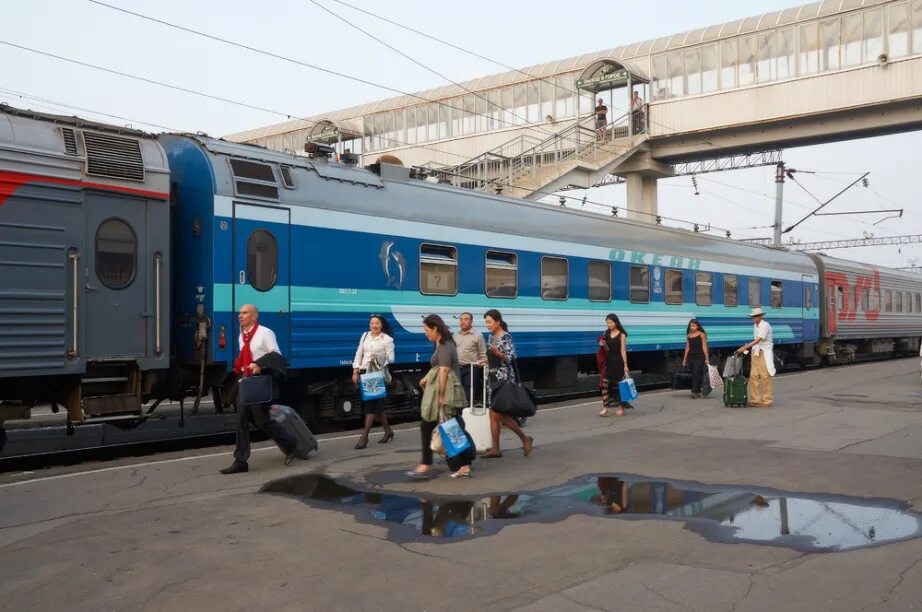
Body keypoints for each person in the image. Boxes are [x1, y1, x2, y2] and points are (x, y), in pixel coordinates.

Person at [220, 304, 298, 474]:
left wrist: (259, 364)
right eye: (240, 313)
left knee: (262, 421)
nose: (240, 315)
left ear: (254, 316)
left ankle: (291, 443)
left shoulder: (265, 333)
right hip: (246, 381)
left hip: (260, 382)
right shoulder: (243, 336)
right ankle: (240, 461)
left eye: (245, 313)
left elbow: (276, 355)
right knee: (241, 418)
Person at [408, 314, 471, 479]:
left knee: (449, 428)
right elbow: (437, 368)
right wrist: (426, 378)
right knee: (451, 427)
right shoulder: (441, 344)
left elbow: (444, 370)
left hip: (448, 393)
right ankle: (460, 464)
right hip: (445, 392)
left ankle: (433, 464)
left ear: (435, 328)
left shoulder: (444, 344)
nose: (425, 333)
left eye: (427, 330)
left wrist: (442, 396)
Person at [482, 309, 533, 458]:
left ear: (498, 321)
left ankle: (523, 438)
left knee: (496, 413)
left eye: (490, 322)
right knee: (494, 414)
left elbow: (510, 358)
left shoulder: (506, 337)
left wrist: (499, 354)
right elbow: (492, 357)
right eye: (486, 322)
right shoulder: (491, 337)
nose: (487, 325)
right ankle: (497, 448)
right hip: (493, 376)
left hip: (503, 378)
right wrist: (484, 361)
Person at [351, 314, 396, 449]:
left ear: (382, 325)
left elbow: (391, 359)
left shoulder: (387, 340)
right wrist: (355, 370)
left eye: (377, 323)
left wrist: (379, 359)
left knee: (371, 405)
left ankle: (364, 438)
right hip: (365, 373)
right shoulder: (365, 336)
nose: (374, 326)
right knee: (376, 405)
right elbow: (359, 354)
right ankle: (388, 431)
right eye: (372, 323)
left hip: (377, 375)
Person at [736, 307, 775, 407]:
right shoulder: (755, 325)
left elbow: (758, 340)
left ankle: (767, 400)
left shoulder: (765, 325)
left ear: (761, 316)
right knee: (753, 376)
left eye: (756, 316)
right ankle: (755, 400)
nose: (754, 318)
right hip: (756, 351)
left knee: (765, 376)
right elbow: (756, 342)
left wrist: (745, 347)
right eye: (753, 316)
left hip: (764, 352)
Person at [598, 313, 633, 417]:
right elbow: (607, 350)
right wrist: (603, 345)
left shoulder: (621, 335)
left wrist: (625, 364)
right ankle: (606, 408)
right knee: (604, 385)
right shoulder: (606, 333)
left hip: (618, 363)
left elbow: (623, 351)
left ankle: (621, 408)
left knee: (619, 386)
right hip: (609, 363)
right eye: (607, 322)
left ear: (616, 322)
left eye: (610, 322)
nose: (609, 324)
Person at [453, 312, 487, 406]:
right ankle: (458, 415)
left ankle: (467, 415)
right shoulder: (455, 335)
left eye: (466, 319)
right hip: (457, 368)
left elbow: (483, 354)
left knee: (469, 395)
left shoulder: (478, 335)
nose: (462, 321)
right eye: (461, 319)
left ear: (471, 321)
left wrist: (480, 364)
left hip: (471, 369)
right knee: (457, 394)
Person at [682, 319, 710, 399]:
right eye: (691, 326)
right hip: (691, 357)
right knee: (694, 374)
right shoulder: (689, 336)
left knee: (696, 373)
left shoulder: (701, 335)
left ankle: (694, 392)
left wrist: (707, 358)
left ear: (697, 326)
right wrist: (684, 360)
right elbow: (687, 348)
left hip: (700, 356)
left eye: (694, 326)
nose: (692, 327)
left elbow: (704, 347)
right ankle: (697, 391)